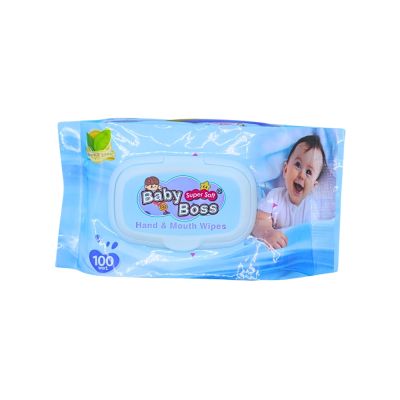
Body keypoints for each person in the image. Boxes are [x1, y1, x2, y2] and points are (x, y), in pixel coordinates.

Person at [252, 135, 327, 249]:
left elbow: (311, 236)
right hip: (274, 250)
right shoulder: (274, 197)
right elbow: (259, 221)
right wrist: (267, 233)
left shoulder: (311, 207)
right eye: (298, 165)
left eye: (308, 172)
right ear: (285, 170)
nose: (301, 175)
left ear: (313, 186)